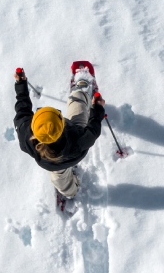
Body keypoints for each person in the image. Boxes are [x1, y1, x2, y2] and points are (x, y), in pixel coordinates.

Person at [13, 68, 106, 199]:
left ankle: (70, 192)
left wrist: (21, 86)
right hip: (75, 146)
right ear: (62, 124)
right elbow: (93, 130)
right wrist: (98, 109)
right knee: (77, 101)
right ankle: (81, 92)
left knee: (61, 181)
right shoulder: (78, 139)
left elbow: (22, 111)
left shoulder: (26, 136)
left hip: (55, 167)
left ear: (33, 126)